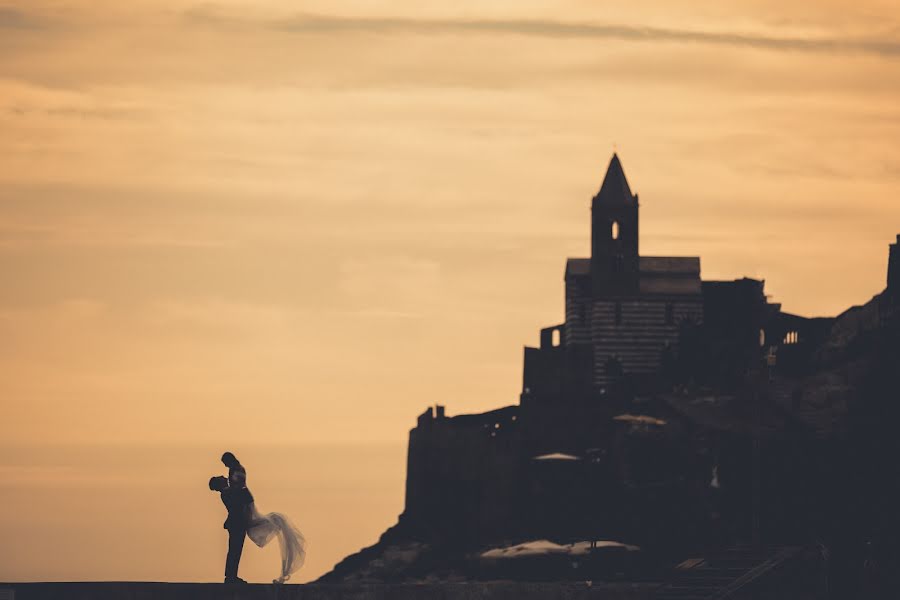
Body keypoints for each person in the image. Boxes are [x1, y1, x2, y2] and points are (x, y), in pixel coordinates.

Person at [208, 475, 252, 584]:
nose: (224, 476)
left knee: (234, 550)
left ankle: (231, 576)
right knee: (235, 551)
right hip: (236, 524)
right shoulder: (228, 492)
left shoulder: (227, 492)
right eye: (220, 478)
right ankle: (231, 576)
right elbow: (242, 501)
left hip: (235, 524)